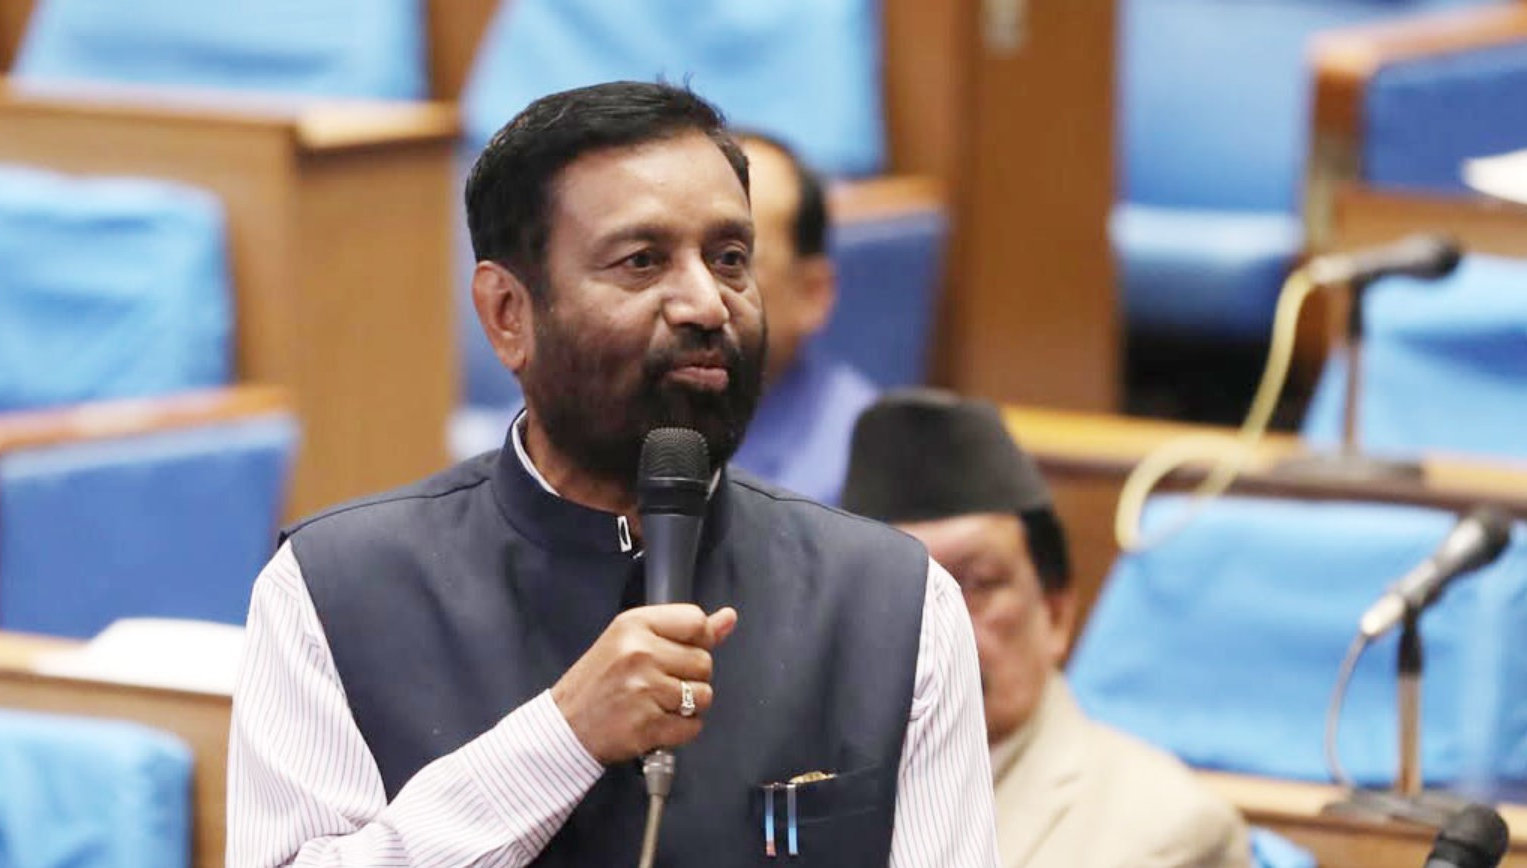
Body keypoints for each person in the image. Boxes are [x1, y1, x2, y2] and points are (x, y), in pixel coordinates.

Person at [227, 82, 999, 867]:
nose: (705, 304)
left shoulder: (894, 603)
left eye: (729, 259)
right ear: (507, 313)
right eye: (642, 261)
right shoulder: (331, 592)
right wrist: (561, 738)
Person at [841, 389, 1253, 868]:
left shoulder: (1171, 830)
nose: (933, 623)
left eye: (978, 584)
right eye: (895, 588)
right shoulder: (797, 782)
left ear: (1055, 613)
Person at [727, 132, 877, 505]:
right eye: (652, 258)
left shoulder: (867, 468)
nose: (692, 290)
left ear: (812, 294)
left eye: (730, 260)